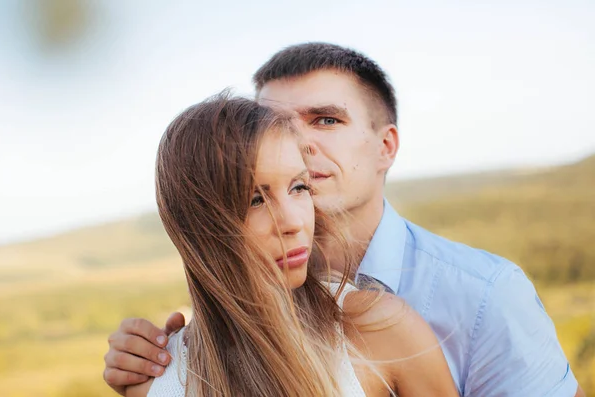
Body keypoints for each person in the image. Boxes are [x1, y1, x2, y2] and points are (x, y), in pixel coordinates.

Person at [104, 43, 584, 396]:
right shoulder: (166, 363)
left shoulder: (488, 295)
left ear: (385, 147)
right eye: (275, 123)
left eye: (326, 120)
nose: (300, 141)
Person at [123, 93, 457, 396]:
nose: (294, 222)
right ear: (197, 225)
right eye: (256, 199)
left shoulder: (382, 330)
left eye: (299, 187)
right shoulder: (155, 380)